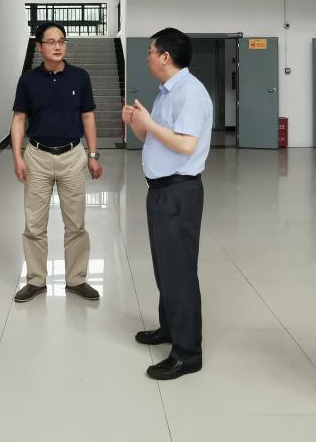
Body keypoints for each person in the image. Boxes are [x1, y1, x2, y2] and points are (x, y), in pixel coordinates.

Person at [122, 28, 212, 380]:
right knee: (165, 267)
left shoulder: (190, 93)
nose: (147, 57)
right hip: (161, 191)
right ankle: (170, 328)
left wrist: (148, 123)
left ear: (166, 56)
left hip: (179, 192)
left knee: (179, 272)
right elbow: (154, 138)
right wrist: (138, 124)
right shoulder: (166, 92)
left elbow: (186, 145)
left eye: (150, 51)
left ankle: (188, 354)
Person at [10, 22, 103, 303]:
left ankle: (76, 280)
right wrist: (17, 156)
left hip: (72, 156)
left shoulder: (80, 77)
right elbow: (19, 119)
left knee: (76, 223)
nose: (58, 46)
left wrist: (93, 155)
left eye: (62, 40)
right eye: (51, 42)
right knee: (34, 225)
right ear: (39, 47)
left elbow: (88, 116)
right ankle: (36, 280)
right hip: (37, 156)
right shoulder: (28, 81)